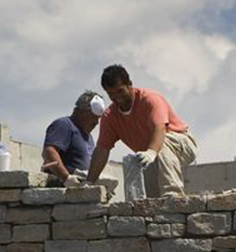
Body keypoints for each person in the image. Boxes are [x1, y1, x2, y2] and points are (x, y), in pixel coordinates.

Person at [83, 64, 197, 197]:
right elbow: (102, 149)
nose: (117, 97)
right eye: (111, 94)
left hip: (181, 143)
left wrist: (152, 152)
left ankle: (174, 196)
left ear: (129, 85)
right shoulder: (110, 117)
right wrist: (89, 182)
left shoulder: (150, 99)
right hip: (150, 156)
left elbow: (159, 128)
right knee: (153, 198)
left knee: (162, 145)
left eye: (120, 91)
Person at [42, 90, 105, 186]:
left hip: (79, 189)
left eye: (98, 118)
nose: (96, 123)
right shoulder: (64, 125)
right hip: (61, 190)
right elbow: (49, 152)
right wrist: (66, 178)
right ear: (80, 112)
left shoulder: (88, 137)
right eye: (93, 117)